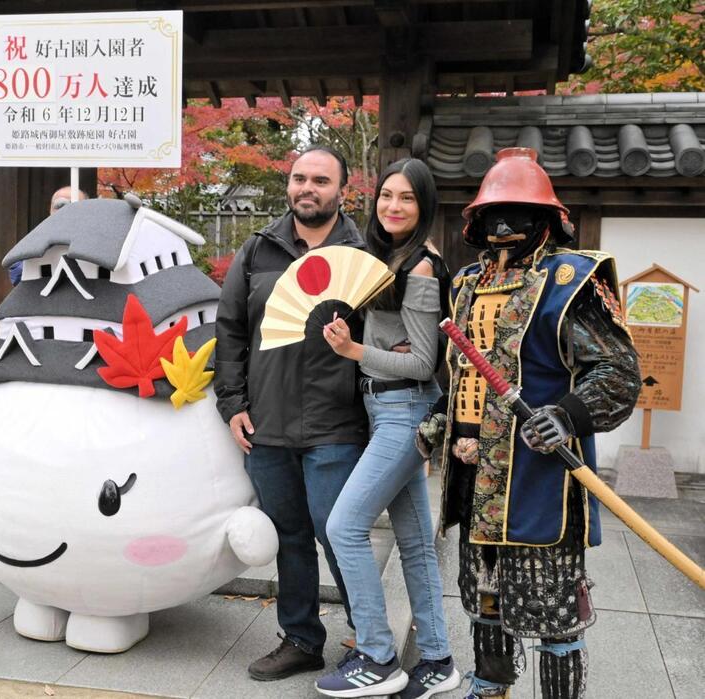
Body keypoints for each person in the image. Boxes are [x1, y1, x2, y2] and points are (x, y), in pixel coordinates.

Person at [418, 148, 640, 698]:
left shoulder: (571, 282)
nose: (503, 225)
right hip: (474, 475)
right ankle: (491, 687)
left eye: (517, 212)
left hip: (539, 474)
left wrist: (566, 414)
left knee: (554, 605)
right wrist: (441, 419)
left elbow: (617, 371)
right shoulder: (466, 282)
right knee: (484, 594)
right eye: (492, 213)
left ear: (546, 219)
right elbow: (463, 371)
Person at [214, 145, 367, 681]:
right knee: (290, 535)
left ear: (342, 190)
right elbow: (230, 327)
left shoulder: (363, 252)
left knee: (339, 531)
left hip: (337, 424)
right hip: (268, 424)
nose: (308, 188)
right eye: (300, 178)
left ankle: (368, 639)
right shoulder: (260, 249)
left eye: (321, 180)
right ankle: (301, 638)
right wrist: (232, 403)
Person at [315, 159, 461, 698]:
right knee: (417, 543)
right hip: (386, 409)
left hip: (404, 410)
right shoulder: (386, 259)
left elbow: (424, 362)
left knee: (344, 526)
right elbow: (396, 347)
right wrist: (365, 348)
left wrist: (355, 351)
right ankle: (439, 660)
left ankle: (377, 656)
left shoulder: (421, 267)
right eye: (386, 196)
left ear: (423, 208)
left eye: (407, 199)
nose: (393, 206)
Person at [8, 185, 86, 285]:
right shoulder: (37, 239)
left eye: (73, 205)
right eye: (59, 206)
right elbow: (17, 274)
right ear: (50, 210)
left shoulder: (95, 239)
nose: (65, 211)